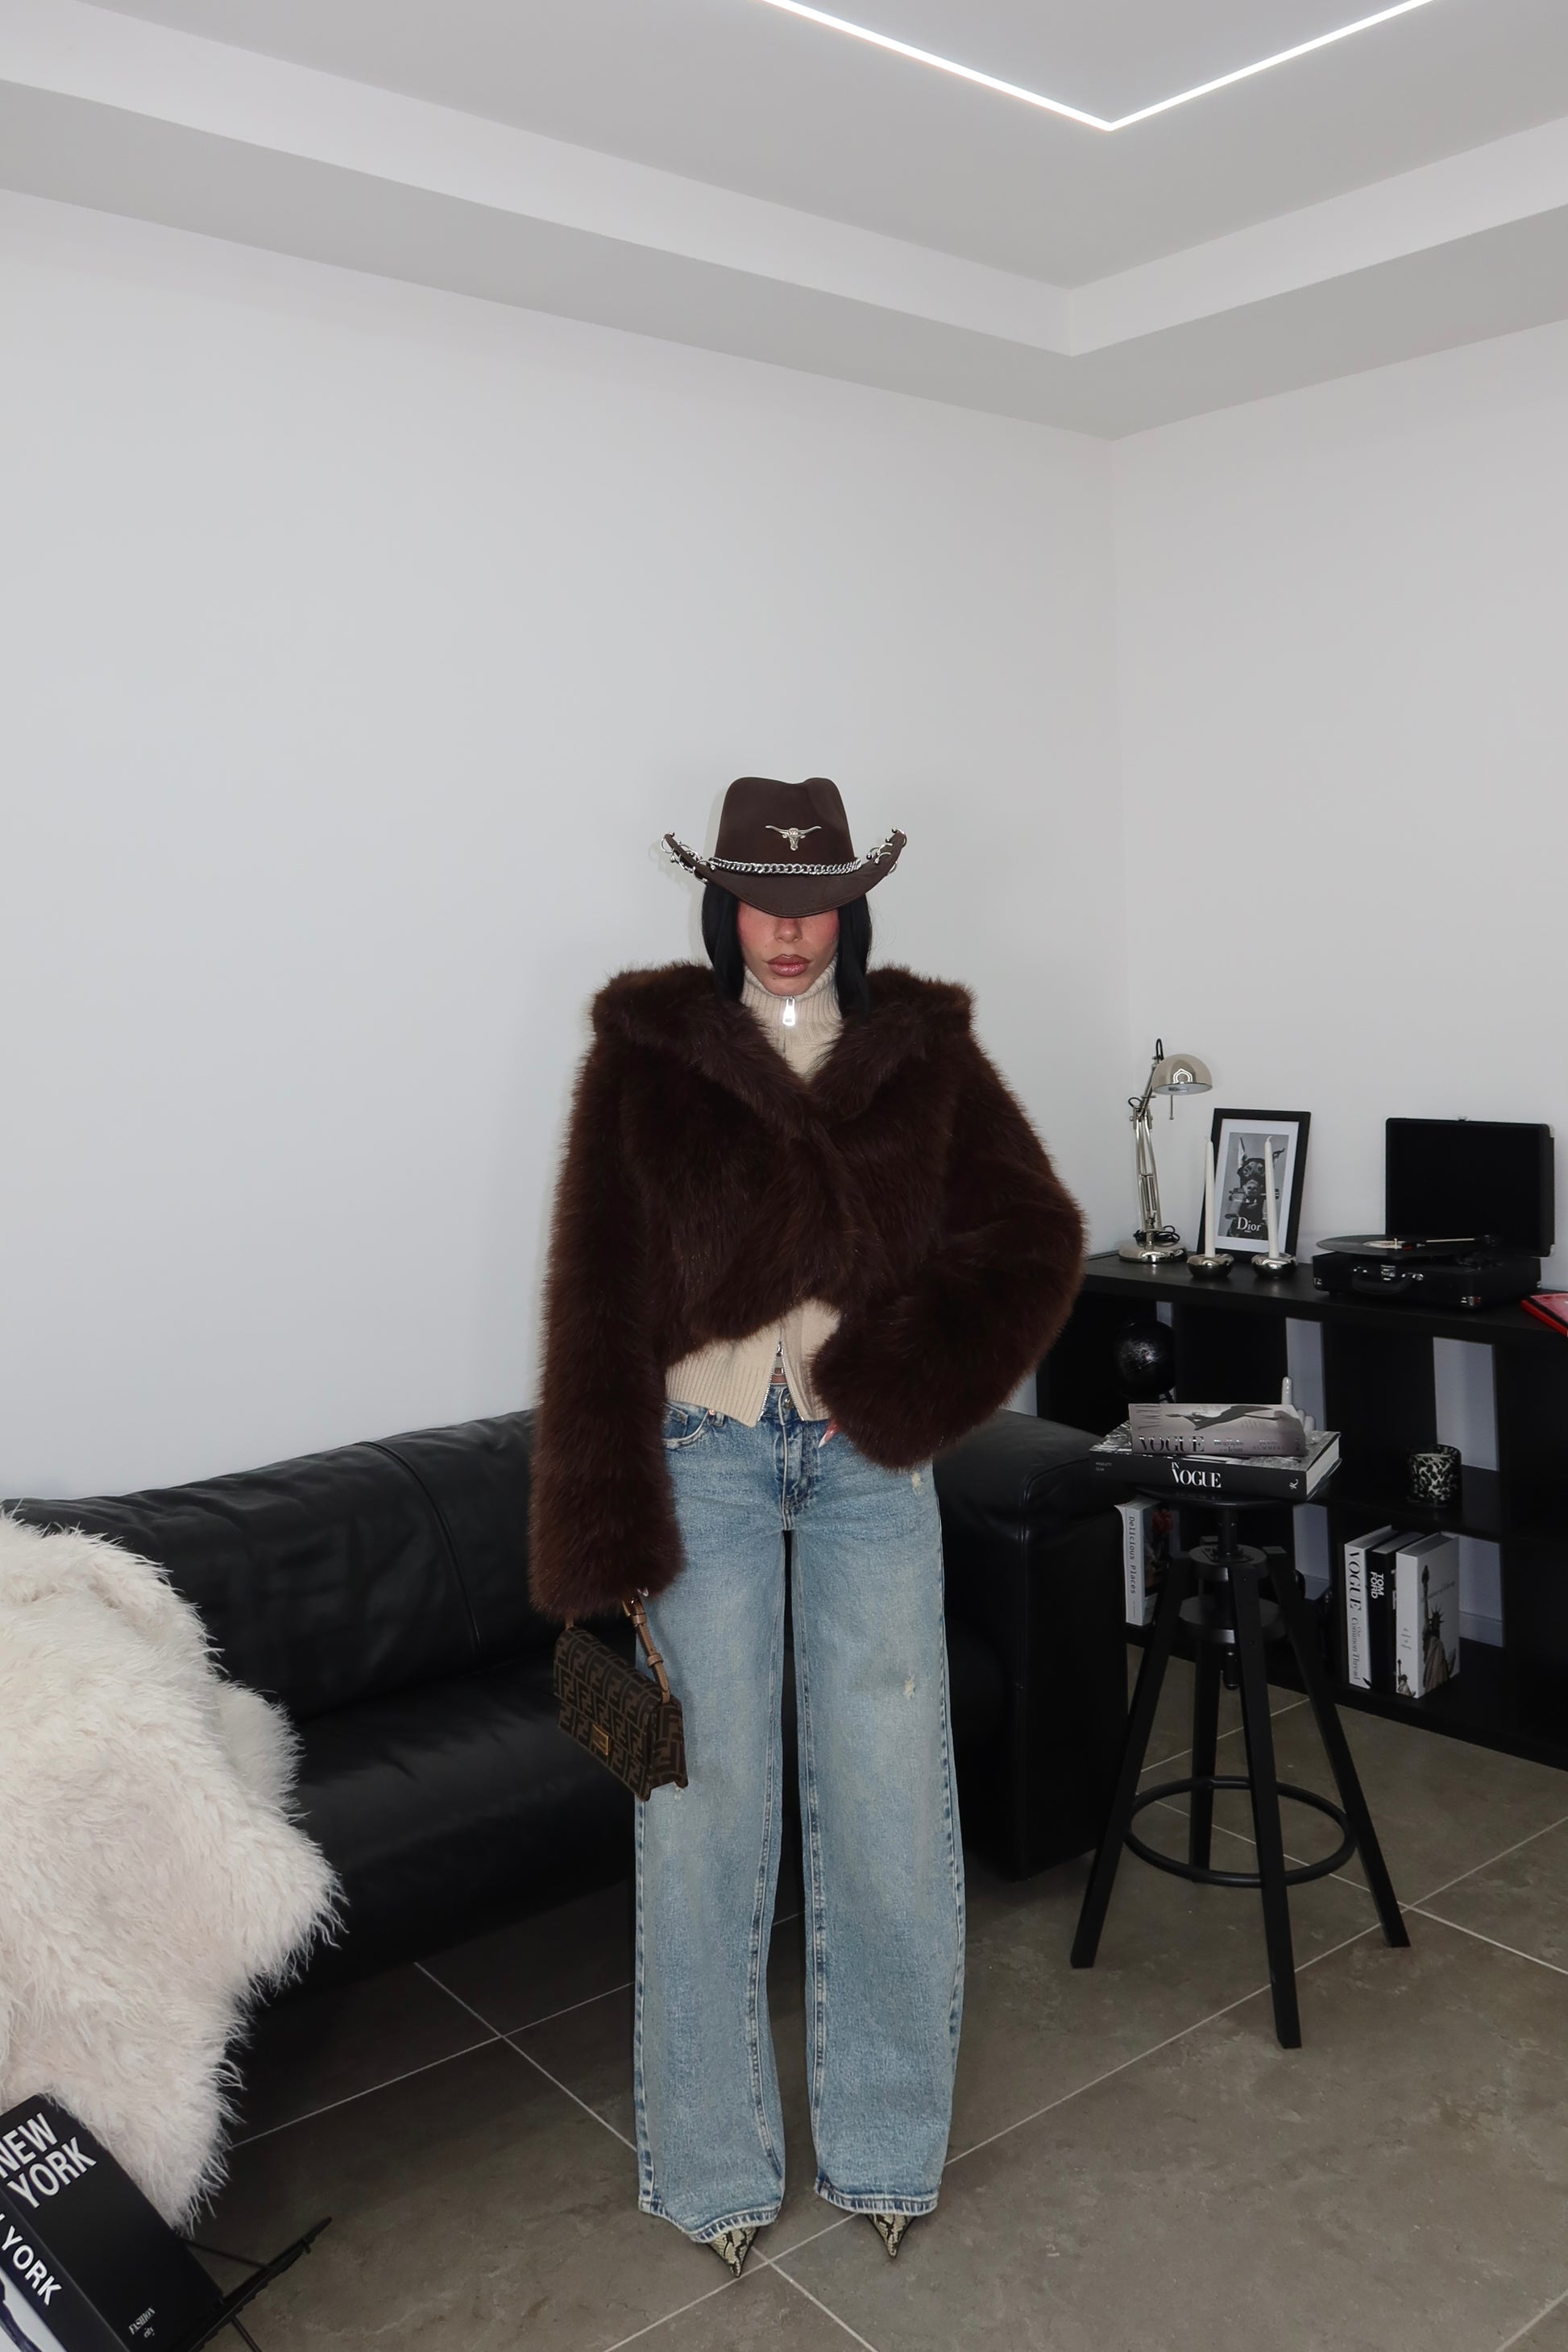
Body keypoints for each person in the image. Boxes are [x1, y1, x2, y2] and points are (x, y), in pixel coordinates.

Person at [529, 776, 1085, 2275]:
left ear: (852, 905)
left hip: (864, 1470)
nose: (788, 930)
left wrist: (895, 1385)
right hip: (699, 1456)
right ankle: (710, 2170)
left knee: (892, 1807)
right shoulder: (651, 1054)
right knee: (700, 1817)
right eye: (763, 901)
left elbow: (1034, 1237)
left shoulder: (920, 1053)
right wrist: (596, 1532)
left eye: (816, 902)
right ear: (721, 901)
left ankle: (887, 2150)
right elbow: (596, 1290)